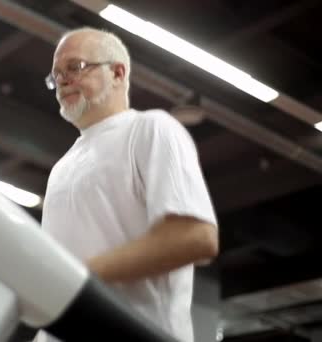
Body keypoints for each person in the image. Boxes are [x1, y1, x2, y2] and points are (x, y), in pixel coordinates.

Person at [35, 27, 219, 342]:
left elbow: (195, 236)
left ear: (118, 73)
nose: (62, 80)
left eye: (75, 67)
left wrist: (75, 277)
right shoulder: (61, 169)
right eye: (56, 76)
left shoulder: (151, 128)